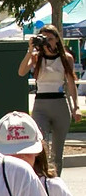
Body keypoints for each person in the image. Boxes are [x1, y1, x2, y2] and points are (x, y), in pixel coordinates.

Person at [18, 24, 80, 173]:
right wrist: (30, 50)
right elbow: (21, 72)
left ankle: (56, 182)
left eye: (51, 39)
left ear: (57, 40)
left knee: (57, 151)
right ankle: (41, 178)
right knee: (40, 145)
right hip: (41, 105)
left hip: (59, 103)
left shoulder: (66, 58)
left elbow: (71, 84)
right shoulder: (36, 57)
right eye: (44, 39)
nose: (47, 42)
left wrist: (75, 107)